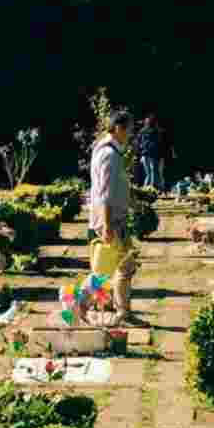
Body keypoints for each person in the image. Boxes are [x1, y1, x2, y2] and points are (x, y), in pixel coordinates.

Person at [84, 110, 141, 327]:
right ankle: (79, 302)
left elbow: (114, 187)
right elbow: (105, 193)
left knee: (120, 267)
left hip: (113, 218)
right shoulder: (109, 155)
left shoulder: (109, 151)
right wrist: (107, 225)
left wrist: (133, 202)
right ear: (118, 128)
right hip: (110, 220)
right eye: (129, 129)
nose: (131, 134)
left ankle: (120, 311)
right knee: (113, 269)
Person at [135, 115, 162, 189]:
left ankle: (146, 189)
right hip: (152, 153)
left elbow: (138, 143)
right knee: (153, 172)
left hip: (144, 154)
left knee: (148, 173)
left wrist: (139, 153)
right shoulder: (155, 131)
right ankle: (151, 189)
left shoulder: (142, 131)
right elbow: (158, 143)